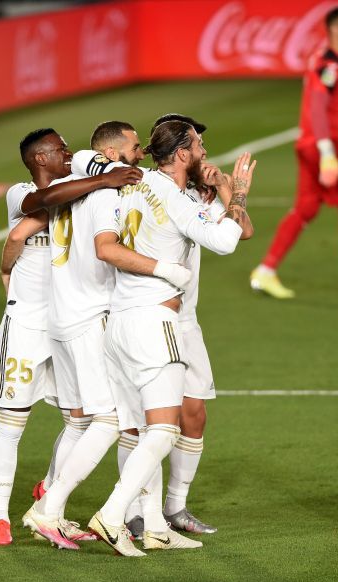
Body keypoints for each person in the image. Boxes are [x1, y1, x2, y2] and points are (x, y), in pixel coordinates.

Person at [20, 122, 193, 550]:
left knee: (101, 422)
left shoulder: (75, 177)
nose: (142, 155)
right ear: (114, 153)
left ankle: (145, 522)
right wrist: (166, 269)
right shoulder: (103, 191)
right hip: (90, 316)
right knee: (118, 422)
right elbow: (105, 247)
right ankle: (54, 508)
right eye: (135, 148)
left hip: (62, 316)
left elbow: (35, 207)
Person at [87, 121, 255, 557]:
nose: (204, 149)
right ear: (182, 153)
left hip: (125, 319)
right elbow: (227, 241)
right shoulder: (176, 198)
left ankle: (156, 523)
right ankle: (114, 513)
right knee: (160, 429)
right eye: (198, 144)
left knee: (149, 425)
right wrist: (235, 193)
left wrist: (219, 192)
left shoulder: (133, 185)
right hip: (156, 320)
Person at [0, 128, 146, 547]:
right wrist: (6, 270)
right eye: (60, 149)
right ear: (41, 159)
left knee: (79, 419)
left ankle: (50, 497)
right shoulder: (19, 192)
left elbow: (27, 231)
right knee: (12, 421)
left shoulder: (74, 191)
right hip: (24, 325)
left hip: (66, 322)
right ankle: (0, 518)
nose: (68, 151)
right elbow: (31, 217)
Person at [250, 5, 338, 299]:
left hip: (309, 145)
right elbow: (317, 106)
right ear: (334, 29)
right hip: (324, 146)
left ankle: (265, 272)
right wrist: (328, 153)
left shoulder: (333, 64)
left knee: (305, 209)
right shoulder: (328, 65)